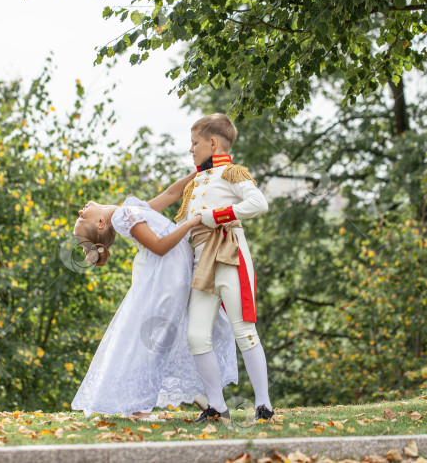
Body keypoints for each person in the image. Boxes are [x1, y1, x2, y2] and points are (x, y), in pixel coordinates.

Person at [70, 172, 238, 420]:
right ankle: (140, 406)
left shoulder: (128, 208)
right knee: (160, 336)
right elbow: (159, 247)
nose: (81, 210)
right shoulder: (123, 217)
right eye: (83, 216)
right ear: (100, 224)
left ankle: (200, 393)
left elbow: (171, 194)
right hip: (166, 277)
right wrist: (189, 223)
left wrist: (199, 173)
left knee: (178, 331)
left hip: (174, 271)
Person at [175, 113, 275, 424]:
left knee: (244, 331)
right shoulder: (195, 182)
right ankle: (216, 406)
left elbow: (258, 204)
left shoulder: (233, 173)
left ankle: (263, 405)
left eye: (195, 143)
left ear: (213, 143)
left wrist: (216, 215)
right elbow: (182, 225)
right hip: (202, 261)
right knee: (195, 335)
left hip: (231, 254)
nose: (191, 149)